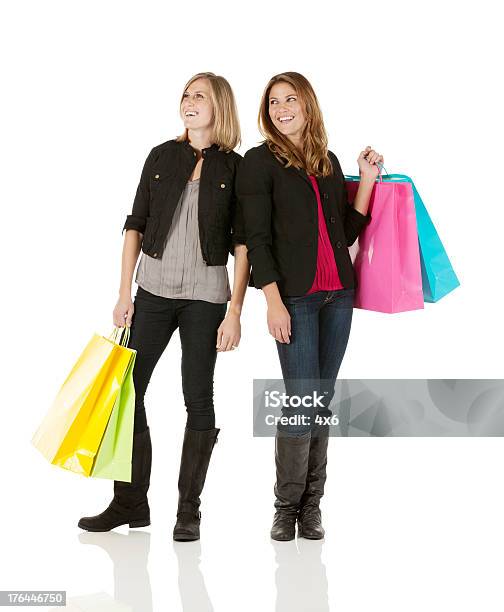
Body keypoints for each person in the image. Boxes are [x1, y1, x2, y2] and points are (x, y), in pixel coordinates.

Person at [78, 72, 249, 541]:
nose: (190, 102)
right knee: (126, 391)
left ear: (220, 108)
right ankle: (130, 501)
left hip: (206, 298)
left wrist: (235, 310)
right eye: (187, 94)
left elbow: (243, 245)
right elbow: (135, 223)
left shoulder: (235, 168)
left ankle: (188, 510)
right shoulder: (161, 155)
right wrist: (123, 292)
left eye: (201, 96)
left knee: (198, 398)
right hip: (151, 292)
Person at [236, 72, 384, 541]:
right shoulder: (258, 162)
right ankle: (286, 507)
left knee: (320, 401)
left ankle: (311, 508)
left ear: (307, 105)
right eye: (274, 101)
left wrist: (367, 180)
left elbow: (345, 231)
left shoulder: (326, 160)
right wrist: (272, 302)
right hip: (295, 299)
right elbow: (256, 240)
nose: (282, 108)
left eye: (291, 99)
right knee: (302, 401)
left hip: (338, 295)